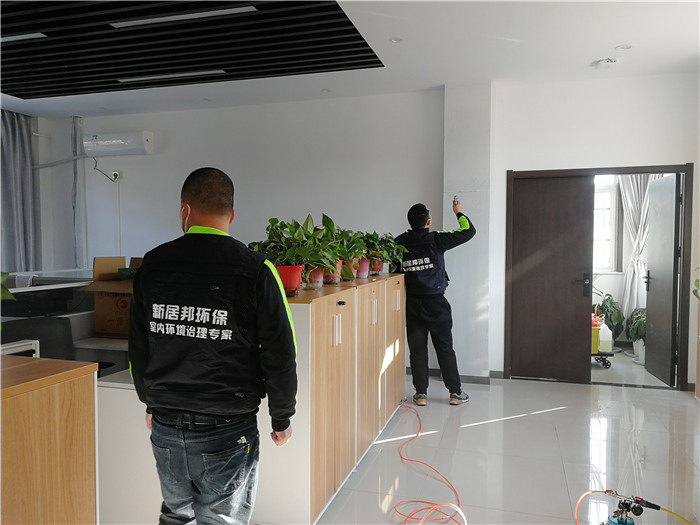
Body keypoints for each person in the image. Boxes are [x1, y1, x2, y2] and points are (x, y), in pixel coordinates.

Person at [128, 167, 297, 525]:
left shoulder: (152, 265)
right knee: (221, 520)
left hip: (166, 426)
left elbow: (138, 345)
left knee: (176, 515)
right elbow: (280, 353)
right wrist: (281, 416)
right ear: (231, 215)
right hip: (227, 429)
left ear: (184, 210)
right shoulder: (256, 269)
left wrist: (151, 401)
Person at [395, 198, 476, 406]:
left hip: (412, 303)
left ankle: (421, 394)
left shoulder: (399, 242)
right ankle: (455, 393)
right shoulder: (436, 239)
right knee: (445, 347)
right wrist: (459, 212)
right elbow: (468, 231)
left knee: (417, 350)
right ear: (428, 222)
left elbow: (395, 273)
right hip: (436, 303)